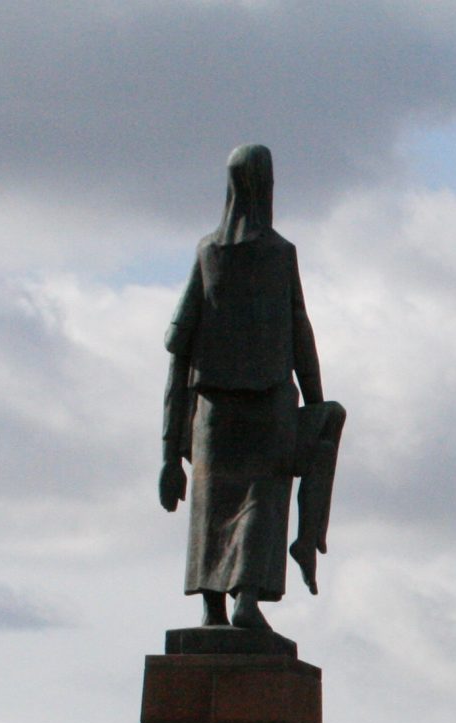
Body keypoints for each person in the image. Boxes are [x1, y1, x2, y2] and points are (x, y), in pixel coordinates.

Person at [159, 144, 344, 634]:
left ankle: (212, 609)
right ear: (268, 188)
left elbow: (178, 347)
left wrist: (166, 451)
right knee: (260, 501)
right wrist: (315, 398)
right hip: (266, 405)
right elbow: (300, 331)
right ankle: (250, 595)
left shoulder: (209, 253)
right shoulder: (280, 254)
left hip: (214, 413)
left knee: (212, 507)